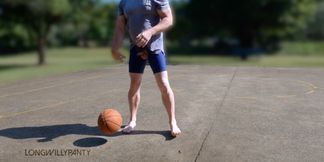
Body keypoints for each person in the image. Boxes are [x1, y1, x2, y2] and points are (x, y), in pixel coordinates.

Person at [111, 0, 181, 137]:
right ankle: (132, 120)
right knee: (134, 85)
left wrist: (150, 32)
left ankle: (173, 121)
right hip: (135, 48)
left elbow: (168, 19)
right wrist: (115, 47)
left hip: (155, 47)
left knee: (164, 84)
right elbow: (120, 26)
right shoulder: (124, 2)